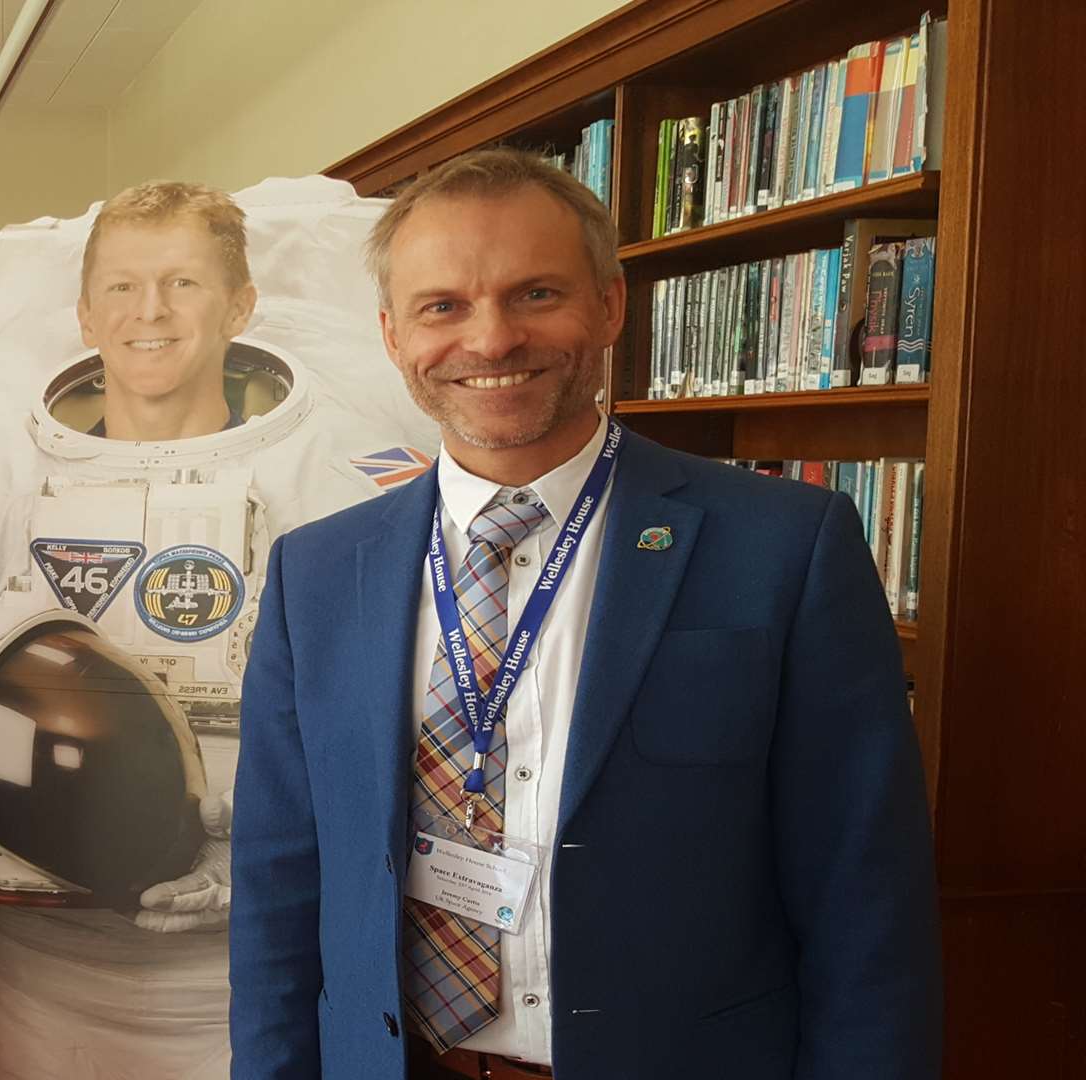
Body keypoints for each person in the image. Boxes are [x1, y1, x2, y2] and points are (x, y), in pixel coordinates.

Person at [229, 147, 941, 1080]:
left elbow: (866, 895)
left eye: (535, 294)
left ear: (609, 304)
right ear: (393, 334)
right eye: (442, 306)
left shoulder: (785, 547)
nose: (489, 341)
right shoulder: (316, 573)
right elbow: (280, 885)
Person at [0, 177, 436, 1078]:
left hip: (250, 978)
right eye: (122, 287)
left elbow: (441, 689)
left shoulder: (342, 467)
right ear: (85, 315)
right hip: (16, 984)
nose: (149, 311)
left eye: (184, 283)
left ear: (242, 306)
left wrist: (283, 852)